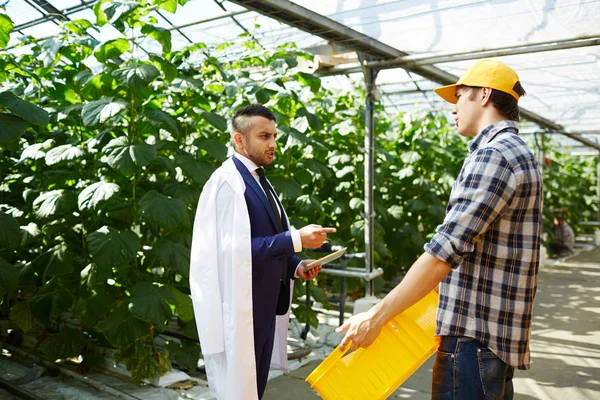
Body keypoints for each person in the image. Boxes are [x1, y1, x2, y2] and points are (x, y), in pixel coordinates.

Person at [336, 60, 543, 400]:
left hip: (473, 340)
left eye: (459, 96)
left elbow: (443, 253)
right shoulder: (520, 154)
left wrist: (376, 316)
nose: (453, 108)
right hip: (493, 339)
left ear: (485, 95)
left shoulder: (494, 155)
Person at [189, 104, 336, 400]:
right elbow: (232, 251)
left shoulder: (258, 179)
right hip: (242, 308)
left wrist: (296, 264)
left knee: (254, 389)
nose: (273, 144)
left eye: (274, 136)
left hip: (264, 307)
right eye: (264, 136)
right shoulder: (229, 183)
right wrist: (295, 239)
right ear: (239, 139)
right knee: (240, 391)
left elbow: (264, 240)